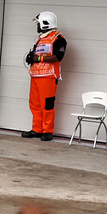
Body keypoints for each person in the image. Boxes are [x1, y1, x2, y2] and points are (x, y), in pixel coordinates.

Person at [22, 12, 67, 141]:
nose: (37, 25)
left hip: (48, 76)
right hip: (35, 75)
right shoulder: (40, 38)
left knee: (47, 105)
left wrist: (39, 58)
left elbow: (58, 57)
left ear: (45, 23)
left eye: (38, 23)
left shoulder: (58, 39)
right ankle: (37, 129)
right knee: (35, 104)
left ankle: (47, 131)